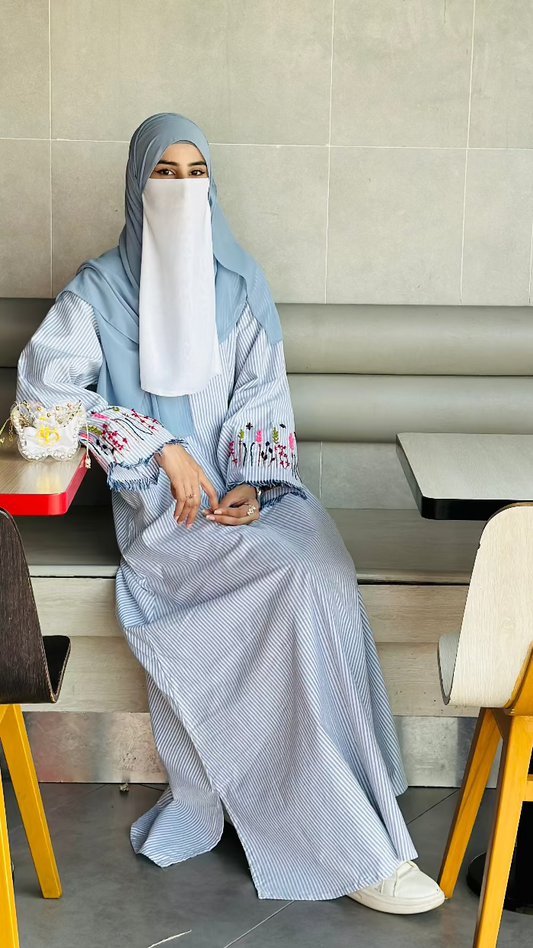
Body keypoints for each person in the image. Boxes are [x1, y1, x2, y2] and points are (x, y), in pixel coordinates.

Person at [17, 113, 444, 914]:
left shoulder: (239, 282)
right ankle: (350, 849)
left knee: (318, 569)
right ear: (136, 183)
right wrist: (161, 449)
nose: (181, 189)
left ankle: (355, 801)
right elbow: (47, 394)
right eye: (164, 173)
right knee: (288, 583)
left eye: (193, 172)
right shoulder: (98, 289)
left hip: (255, 496)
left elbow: (259, 399)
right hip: (161, 504)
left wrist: (250, 480)